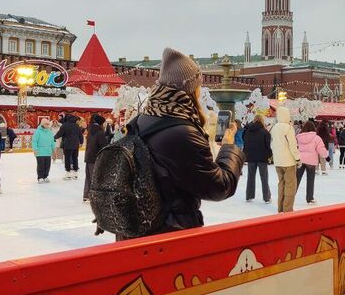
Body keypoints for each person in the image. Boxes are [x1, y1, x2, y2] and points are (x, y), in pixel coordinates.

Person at [133, 47, 244, 233]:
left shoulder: (141, 121)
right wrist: (228, 147)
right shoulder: (182, 134)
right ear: (191, 89)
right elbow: (220, 186)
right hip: (168, 237)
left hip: (137, 232)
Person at [271, 106, 301, 213]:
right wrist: (297, 158)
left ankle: (280, 207)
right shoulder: (288, 128)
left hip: (278, 160)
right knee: (290, 185)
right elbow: (293, 145)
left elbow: (272, 144)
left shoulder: (274, 127)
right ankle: (288, 209)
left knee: (281, 184)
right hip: (288, 161)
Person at [296, 121, 328, 204]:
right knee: (310, 180)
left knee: (296, 179)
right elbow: (321, 149)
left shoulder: (298, 137)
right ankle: (309, 198)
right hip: (311, 161)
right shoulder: (316, 138)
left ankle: (291, 196)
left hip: (300, 160)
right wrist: (326, 156)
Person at [242, 114, 272, 203]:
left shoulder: (247, 131)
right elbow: (268, 146)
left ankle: (249, 196)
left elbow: (245, 142)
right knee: (264, 178)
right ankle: (266, 197)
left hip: (250, 156)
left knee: (250, 177)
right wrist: (269, 154)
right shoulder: (265, 132)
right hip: (262, 157)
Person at [83, 114, 109, 202]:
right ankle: (94, 196)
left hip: (88, 157)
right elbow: (104, 146)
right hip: (96, 157)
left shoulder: (90, 131)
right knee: (96, 177)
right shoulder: (100, 132)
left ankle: (86, 194)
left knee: (89, 177)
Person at [54, 114, 83, 179]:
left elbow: (59, 134)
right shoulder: (76, 125)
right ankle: (75, 173)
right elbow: (80, 135)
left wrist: (54, 138)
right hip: (75, 145)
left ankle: (68, 173)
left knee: (67, 158)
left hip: (67, 145)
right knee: (75, 158)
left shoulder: (65, 125)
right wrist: (81, 142)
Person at [32, 117, 55, 183]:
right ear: (42, 124)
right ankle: (40, 177)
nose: (48, 125)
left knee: (47, 165)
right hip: (40, 152)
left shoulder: (50, 132)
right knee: (41, 165)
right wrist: (35, 149)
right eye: (46, 124)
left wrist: (54, 149)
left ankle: (45, 176)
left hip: (48, 151)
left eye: (48, 124)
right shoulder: (38, 131)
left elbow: (52, 141)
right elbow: (34, 141)